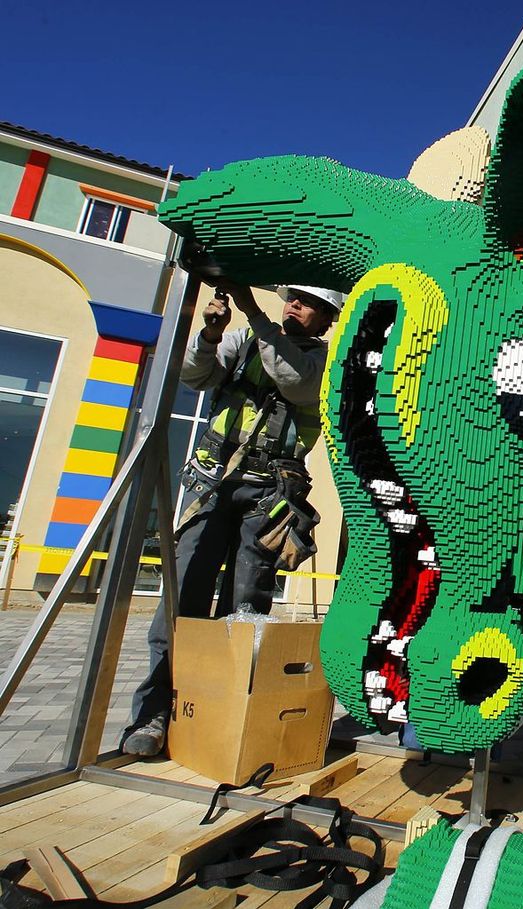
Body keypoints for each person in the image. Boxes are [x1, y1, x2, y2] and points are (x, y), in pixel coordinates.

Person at [120, 281, 345, 757]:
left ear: (328, 319)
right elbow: (192, 376)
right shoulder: (243, 340)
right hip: (215, 483)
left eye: (309, 303)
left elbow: (295, 381)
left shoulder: (325, 363)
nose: (295, 305)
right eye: (292, 299)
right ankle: (155, 714)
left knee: (245, 608)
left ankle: (222, 715)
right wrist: (209, 335)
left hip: (270, 495)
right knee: (181, 603)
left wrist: (251, 309)